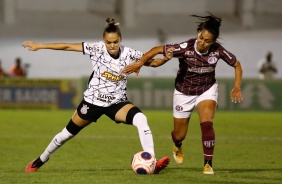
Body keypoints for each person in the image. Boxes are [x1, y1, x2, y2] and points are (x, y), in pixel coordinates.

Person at [22, 18, 170, 174]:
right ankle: (41, 159)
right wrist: (40, 46)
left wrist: (166, 59)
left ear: (121, 39)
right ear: (103, 40)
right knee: (66, 134)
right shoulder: (96, 49)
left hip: (117, 103)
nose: (112, 45)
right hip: (92, 102)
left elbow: (153, 63)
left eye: (115, 42)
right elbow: (67, 46)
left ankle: (151, 161)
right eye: (108, 42)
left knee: (141, 119)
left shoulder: (130, 54)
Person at [122, 13, 243, 174]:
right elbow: (156, 50)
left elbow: (237, 64)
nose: (202, 42)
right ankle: (178, 145)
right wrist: (140, 63)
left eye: (207, 41)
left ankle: (208, 163)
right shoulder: (185, 48)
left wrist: (236, 86)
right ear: (198, 32)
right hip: (183, 92)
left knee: (206, 123)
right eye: (201, 37)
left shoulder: (218, 51)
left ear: (213, 42)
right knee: (179, 134)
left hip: (207, 89)